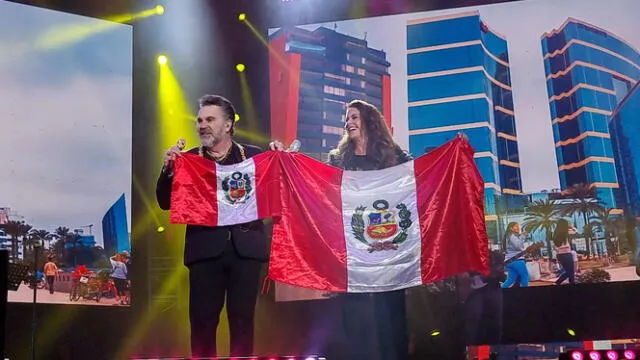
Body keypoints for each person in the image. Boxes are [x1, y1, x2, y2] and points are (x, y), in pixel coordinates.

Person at [271, 99, 412, 360]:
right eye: (346, 119)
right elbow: (319, 190)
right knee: (356, 322)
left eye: (354, 117)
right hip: (352, 256)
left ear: (370, 121)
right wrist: (289, 162)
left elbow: (418, 179)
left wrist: (452, 154)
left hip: (388, 256)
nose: (348, 123)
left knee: (391, 321)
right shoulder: (338, 159)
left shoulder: (396, 157)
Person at [156, 94, 267, 357]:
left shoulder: (254, 156)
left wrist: (283, 158)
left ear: (227, 124)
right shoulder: (190, 159)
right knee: (203, 323)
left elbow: (276, 191)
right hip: (205, 251)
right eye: (199, 120)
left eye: (209, 119)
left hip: (245, 251)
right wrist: (168, 169)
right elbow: (163, 202)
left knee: (242, 323)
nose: (202, 125)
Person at [463, 250, 505, 345]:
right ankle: (470, 349)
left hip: (494, 290)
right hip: (475, 292)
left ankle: (495, 350)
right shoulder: (471, 255)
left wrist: (500, 271)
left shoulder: (496, 255)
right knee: (474, 320)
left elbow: (503, 278)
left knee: (496, 323)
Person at [501, 222, 529, 288]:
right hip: (516, 260)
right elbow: (518, 246)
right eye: (516, 226)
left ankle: (500, 291)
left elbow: (518, 245)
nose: (518, 228)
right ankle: (526, 294)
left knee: (510, 280)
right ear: (511, 228)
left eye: (518, 226)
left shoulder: (510, 236)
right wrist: (523, 236)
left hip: (510, 260)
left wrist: (521, 236)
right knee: (525, 275)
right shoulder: (511, 235)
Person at [554, 219, 575, 285]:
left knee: (569, 272)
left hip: (560, 255)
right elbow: (575, 231)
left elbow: (556, 246)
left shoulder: (555, 233)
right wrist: (571, 227)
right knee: (570, 272)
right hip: (567, 254)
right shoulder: (565, 232)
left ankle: (558, 282)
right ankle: (558, 282)